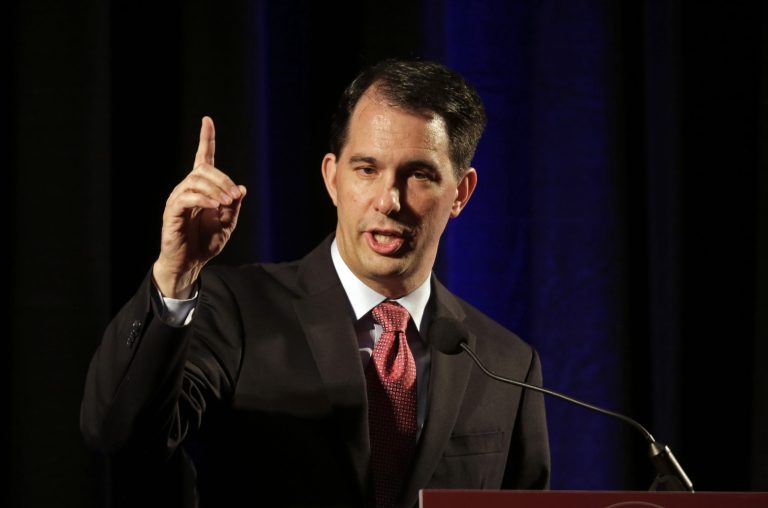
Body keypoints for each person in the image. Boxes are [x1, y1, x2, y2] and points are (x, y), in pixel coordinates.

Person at [81, 58, 550, 508]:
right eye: (367, 169)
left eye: (420, 175)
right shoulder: (236, 310)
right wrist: (175, 275)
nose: (388, 200)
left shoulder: (506, 362)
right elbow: (120, 434)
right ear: (332, 178)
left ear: (460, 194)